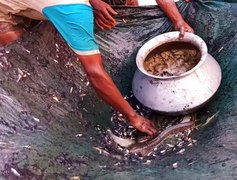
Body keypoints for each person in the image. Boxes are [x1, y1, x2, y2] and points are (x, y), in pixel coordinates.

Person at [0, 0, 194, 137]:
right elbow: (95, 74)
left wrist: (178, 20)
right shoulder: (76, 13)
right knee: (26, 61)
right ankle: (43, 122)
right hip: (4, 13)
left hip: (39, 5)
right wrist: (133, 117)